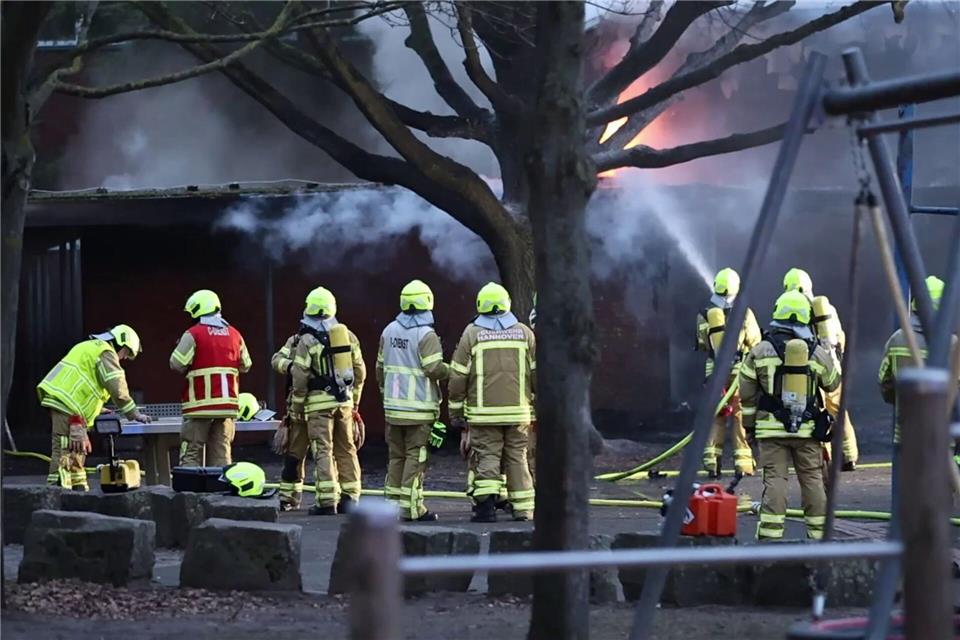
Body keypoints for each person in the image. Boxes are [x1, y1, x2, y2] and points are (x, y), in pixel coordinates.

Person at [740, 290, 840, 541]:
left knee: (775, 480)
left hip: (771, 431)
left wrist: (749, 427)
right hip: (807, 431)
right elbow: (832, 383)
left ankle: (770, 537)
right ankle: (819, 536)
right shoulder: (815, 351)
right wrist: (827, 351)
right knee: (813, 480)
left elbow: (746, 394)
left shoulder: (760, 351)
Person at [449, 282, 536, 522]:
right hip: (519, 412)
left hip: (484, 413)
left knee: (488, 455)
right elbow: (537, 373)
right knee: (517, 456)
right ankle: (524, 509)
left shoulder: (472, 334)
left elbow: (458, 375)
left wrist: (455, 411)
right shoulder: (524, 333)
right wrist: (537, 404)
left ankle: (486, 508)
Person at [37, 324, 152, 490]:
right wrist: (134, 413)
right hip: (69, 406)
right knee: (65, 449)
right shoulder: (105, 352)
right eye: (126, 353)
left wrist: (97, 409)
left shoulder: (88, 347)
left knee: (76, 448)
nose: (124, 358)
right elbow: (116, 386)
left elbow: (84, 385)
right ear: (120, 342)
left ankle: (77, 490)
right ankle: (56, 491)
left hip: (67, 404)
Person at [290, 286, 366, 515]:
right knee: (347, 449)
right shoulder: (348, 336)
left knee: (323, 450)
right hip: (344, 402)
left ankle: (326, 502)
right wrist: (355, 403)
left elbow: (300, 374)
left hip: (317, 405)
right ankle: (351, 498)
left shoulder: (306, 340)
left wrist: (297, 405)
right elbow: (360, 372)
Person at [377, 280, 449, 521]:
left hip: (393, 409)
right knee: (415, 458)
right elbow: (433, 368)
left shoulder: (388, 330)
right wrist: (452, 371)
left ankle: (391, 508)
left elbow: (379, 368)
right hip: (419, 410)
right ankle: (411, 509)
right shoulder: (426, 334)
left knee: (396, 457)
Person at [783, 267, 859, 470]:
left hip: (812, 371)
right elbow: (840, 337)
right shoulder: (828, 309)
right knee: (840, 412)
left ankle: (826, 461)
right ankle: (849, 456)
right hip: (832, 367)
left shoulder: (793, 308)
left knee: (819, 415)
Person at [170, 289, 252, 467]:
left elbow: (176, 364)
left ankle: (190, 491)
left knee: (191, 450)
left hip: (200, 405)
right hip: (227, 407)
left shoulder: (193, 334)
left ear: (197, 310)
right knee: (221, 451)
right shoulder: (235, 335)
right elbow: (246, 365)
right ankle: (220, 490)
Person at [697, 268, 761, 476]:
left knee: (716, 415)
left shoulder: (704, 313)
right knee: (739, 414)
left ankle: (711, 462)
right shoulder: (744, 312)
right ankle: (743, 465)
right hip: (738, 372)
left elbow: (701, 342)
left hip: (713, 373)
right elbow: (755, 341)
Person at [878, 275, 956, 445]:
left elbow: (885, 383)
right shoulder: (953, 346)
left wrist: (902, 400)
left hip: (907, 433)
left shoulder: (897, 340)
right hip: (943, 434)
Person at [272, 331, 309, 511]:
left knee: (324, 454)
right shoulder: (295, 340)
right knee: (294, 455)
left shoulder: (336, 338)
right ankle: (289, 497)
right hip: (299, 408)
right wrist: (291, 366)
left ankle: (328, 498)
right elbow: (276, 360)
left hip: (315, 408)